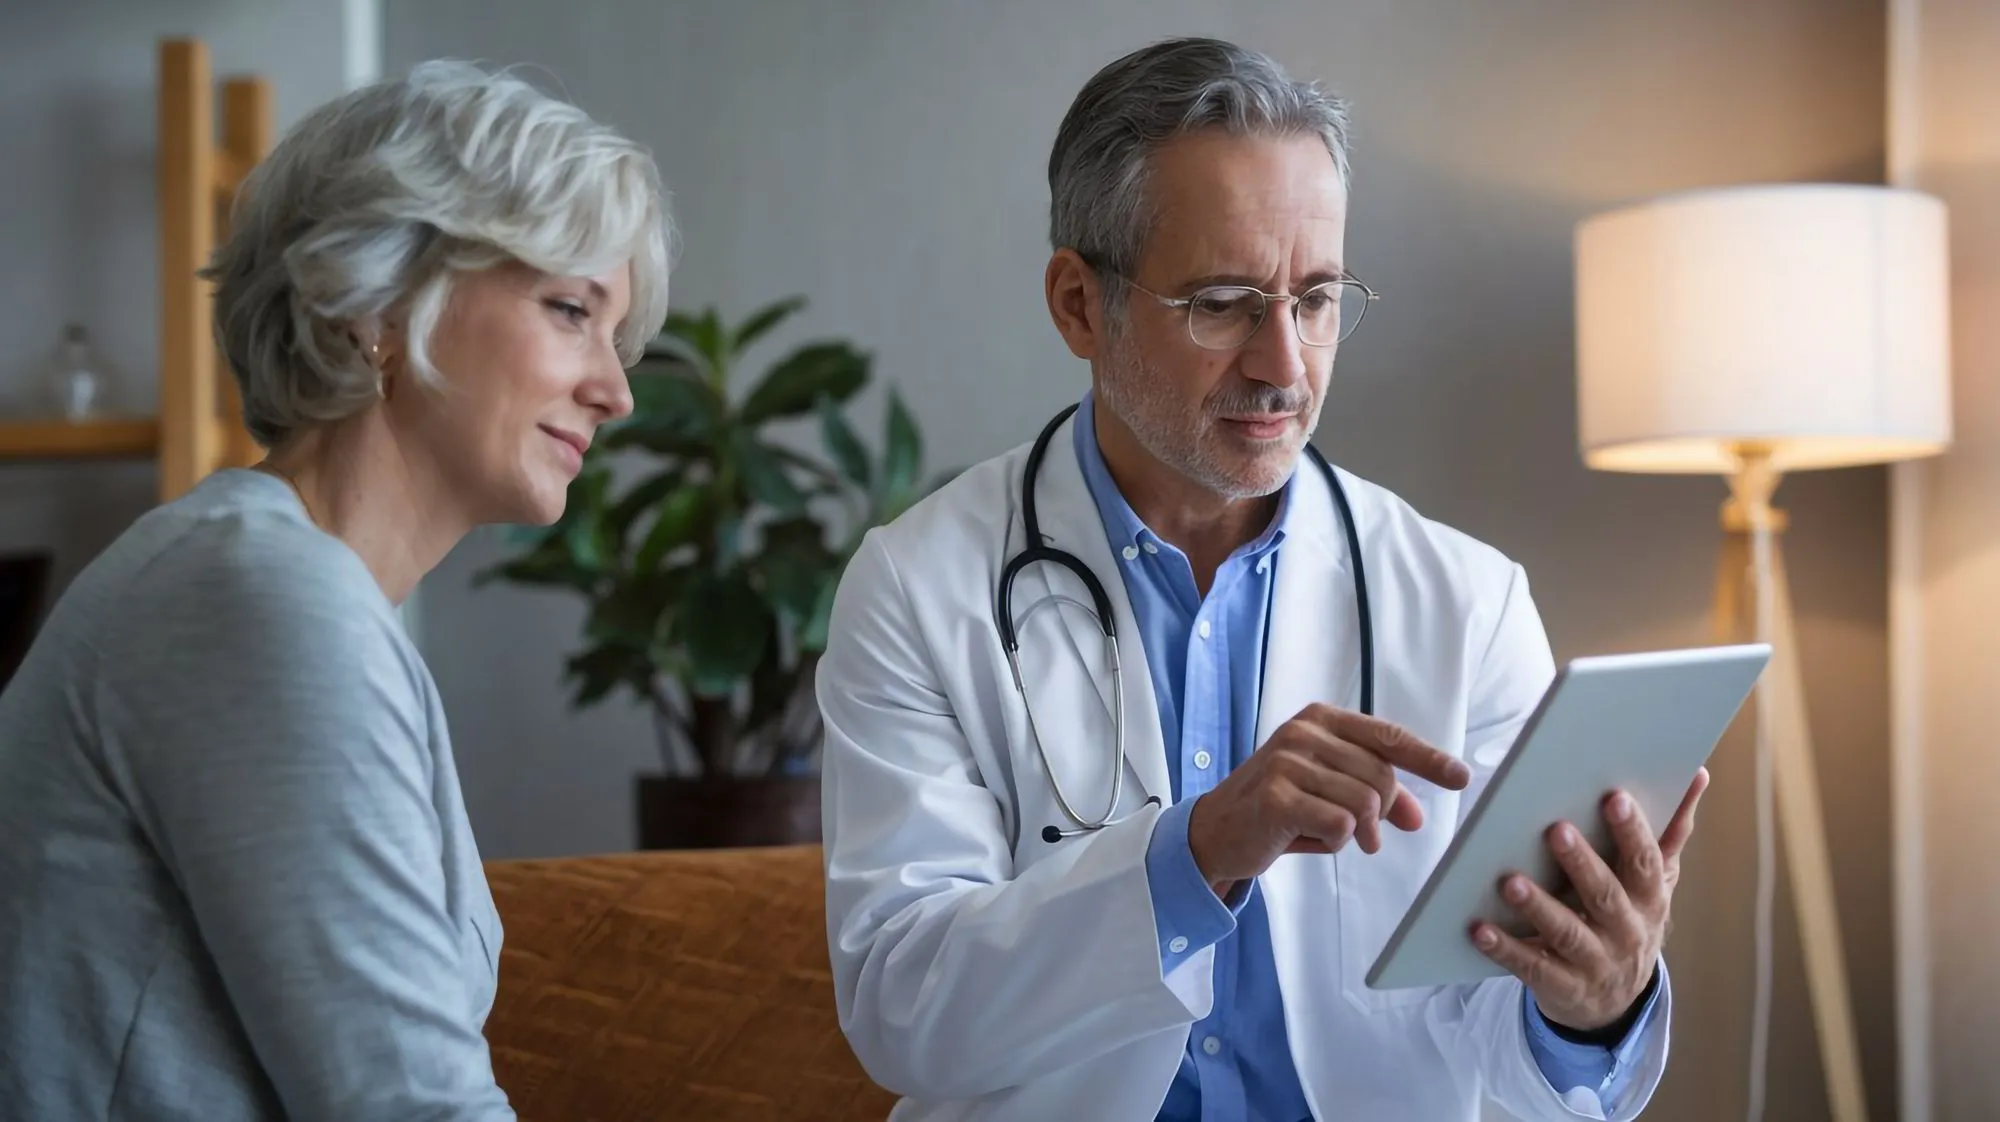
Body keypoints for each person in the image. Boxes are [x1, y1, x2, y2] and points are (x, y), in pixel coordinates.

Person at [816, 37, 1706, 1122]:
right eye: (1224, 301)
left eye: (1316, 297)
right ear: (1076, 306)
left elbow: (1505, 1073)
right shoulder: (917, 590)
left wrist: (1589, 1009)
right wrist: (1196, 852)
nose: (1283, 364)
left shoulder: (1467, 606)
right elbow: (903, 1013)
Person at [0, 60, 669, 1120]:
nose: (616, 390)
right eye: (569, 310)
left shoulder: (284, 585)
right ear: (383, 304)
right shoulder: (256, 599)